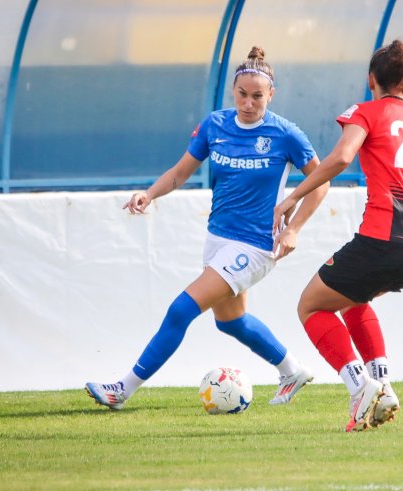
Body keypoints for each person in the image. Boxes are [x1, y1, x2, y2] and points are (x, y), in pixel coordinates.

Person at [86, 47, 329, 410]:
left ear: (271, 95)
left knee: (180, 310)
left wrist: (293, 228)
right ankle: (292, 370)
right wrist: (149, 194)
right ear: (233, 91)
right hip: (218, 239)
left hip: (256, 245)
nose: (249, 103)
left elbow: (321, 182)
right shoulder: (215, 124)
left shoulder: (285, 134)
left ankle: (122, 389)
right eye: (243, 94)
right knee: (231, 321)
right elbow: (181, 173)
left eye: (258, 96)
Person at [273, 40, 403, 432]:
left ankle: (360, 387)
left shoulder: (364, 112)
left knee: (311, 306)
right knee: (352, 298)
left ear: (371, 80)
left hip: (384, 239)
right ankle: (381, 384)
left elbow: (344, 156)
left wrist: (294, 195)